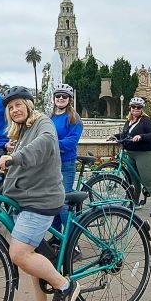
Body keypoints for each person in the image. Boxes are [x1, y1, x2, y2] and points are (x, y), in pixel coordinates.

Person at [0, 86, 81, 301]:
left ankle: (65, 286)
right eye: (10, 108)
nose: (14, 110)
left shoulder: (43, 122)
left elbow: (44, 144)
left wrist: (15, 157)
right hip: (25, 198)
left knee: (20, 253)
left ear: (29, 105)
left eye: (18, 105)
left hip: (42, 198)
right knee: (31, 253)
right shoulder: (21, 131)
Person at [112, 97, 151, 218]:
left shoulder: (147, 121)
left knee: (148, 180)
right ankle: (135, 203)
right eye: (133, 107)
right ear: (130, 108)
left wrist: (141, 136)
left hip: (144, 153)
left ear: (142, 109)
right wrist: (114, 136)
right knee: (134, 180)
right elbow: (125, 134)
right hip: (131, 153)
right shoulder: (129, 121)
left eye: (138, 107)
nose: (136, 109)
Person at [50, 83, 83, 232]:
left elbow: (71, 141)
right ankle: (57, 237)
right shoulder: (49, 116)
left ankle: (72, 241)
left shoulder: (73, 117)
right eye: (58, 96)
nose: (61, 98)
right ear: (54, 98)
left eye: (64, 96)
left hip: (66, 164)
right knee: (51, 204)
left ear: (70, 99)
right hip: (51, 164)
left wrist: (52, 144)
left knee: (63, 204)